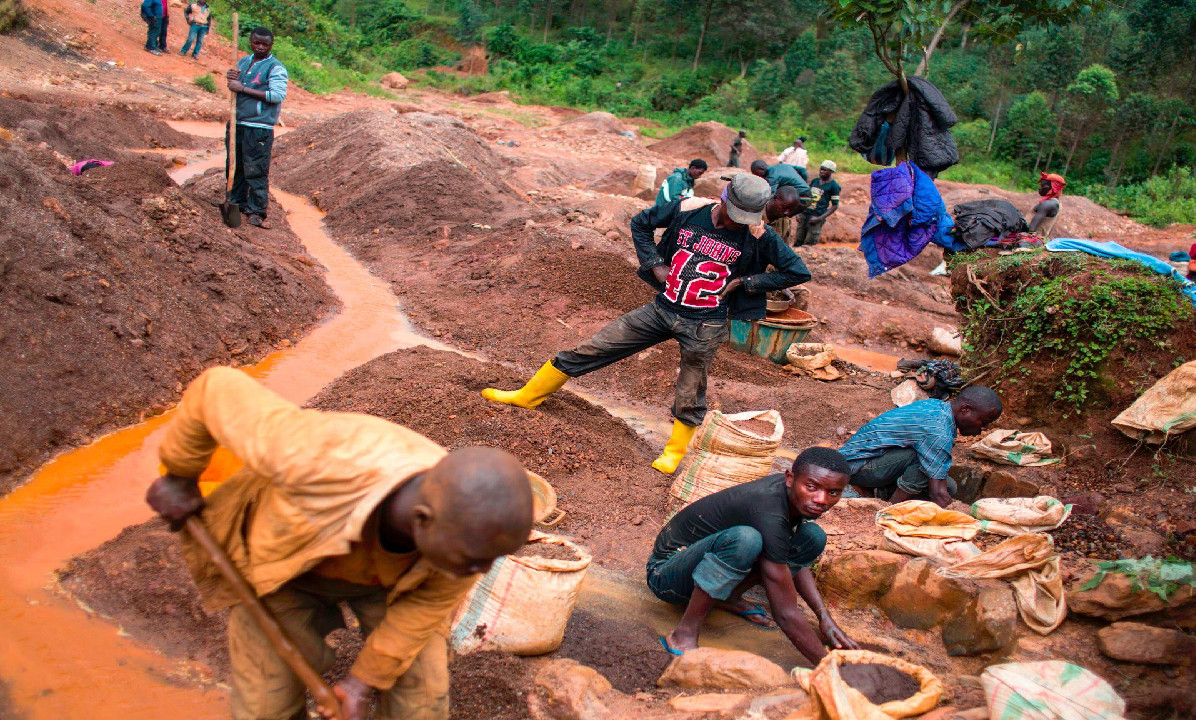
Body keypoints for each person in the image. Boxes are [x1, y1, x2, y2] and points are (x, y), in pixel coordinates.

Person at [145, 367, 534, 720]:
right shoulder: (311, 456)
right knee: (266, 706)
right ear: (422, 521)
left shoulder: (470, 540)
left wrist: (361, 683)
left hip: (394, 585)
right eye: (474, 561)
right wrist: (180, 475)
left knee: (421, 701)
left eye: (490, 560)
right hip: (287, 570)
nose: (482, 571)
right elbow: (216, 388)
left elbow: (418, 614)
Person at [482, 174, 811, 473]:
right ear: (724, 200)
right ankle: (527, 396)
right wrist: (654, 263)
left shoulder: (760, 236)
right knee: (595, 346)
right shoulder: (688, 209)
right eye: (736, 215)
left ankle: (674, 452)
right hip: (662, 309)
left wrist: (745, 282)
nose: (741, 223)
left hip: (705, 323)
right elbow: (641, 223)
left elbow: (797, 272)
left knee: (691, 387)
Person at [647, 447, 858, 660]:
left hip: (701, 567)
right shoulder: (767, 507)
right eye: (811, 487)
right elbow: (785, 613)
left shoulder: (792, 496)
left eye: (833, 492)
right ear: (789, 478)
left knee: (812, 537)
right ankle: (683, 633)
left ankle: (728, 597)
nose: (822, 499)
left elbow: (788, 557)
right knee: (746, 539)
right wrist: (827, 667)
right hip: (666, 576)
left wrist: (824, 616)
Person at [839, 386, 1003, 507]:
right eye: (983, 422)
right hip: (856, 466)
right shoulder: (938, 431)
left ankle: (880, 492)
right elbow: (937, 494)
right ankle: (889, 510)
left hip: (872, 460)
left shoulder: (938, 407)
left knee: (949, 486)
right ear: (966, 410)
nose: (984, 428)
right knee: (925, 463)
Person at [226, 27, 288, 229]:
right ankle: (235, 203)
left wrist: (242, 88)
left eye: (265, 44)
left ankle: (257, 211)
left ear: (271, 45)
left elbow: (277, 95)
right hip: (238, 122)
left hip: (259, 126)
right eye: (256, 43)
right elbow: (236, 86)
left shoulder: (275, 68)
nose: (260, 47)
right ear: (250, 42)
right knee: (235, 167)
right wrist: (232, 79)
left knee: (256, 170)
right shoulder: (244, 62)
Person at [793, 160, 840, 248]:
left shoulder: (834, 186)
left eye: (825, 170)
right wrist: (798, 212)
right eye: (821, 169)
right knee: (798, 241)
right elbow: (806, 197)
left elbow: (834, 205)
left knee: (809, 244)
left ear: (831, 172)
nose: (822, 171)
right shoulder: (815, 181)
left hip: (817, 217)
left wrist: (820, 218)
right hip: (805, 214)